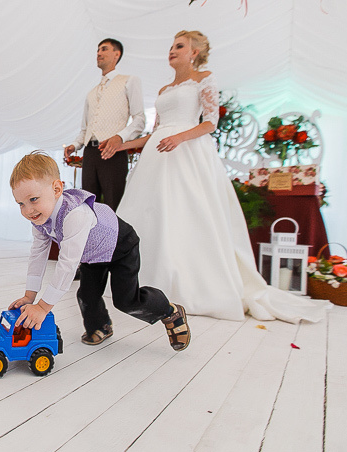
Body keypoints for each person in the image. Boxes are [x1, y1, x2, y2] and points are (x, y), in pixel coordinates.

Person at [114, 30, 329, 323]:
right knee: (152, 212)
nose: (172, 51)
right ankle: (138, 279)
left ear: (194, 53)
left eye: (179, 46)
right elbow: (154, 132)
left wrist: (180, 138)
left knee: (188, 213)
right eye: (171, 46)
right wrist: (122, 144)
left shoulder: (205, 79)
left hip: (187, 150)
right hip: (157, 154)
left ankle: (189, 284)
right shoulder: (164, 90)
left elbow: (210, 123)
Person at [8, 151, 190, 351]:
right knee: (86, 295)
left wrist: (43, 307)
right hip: (93, 255)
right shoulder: (40, 220)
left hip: (121, 246)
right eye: (21, 204)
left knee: (126, 301)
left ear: (57, 188)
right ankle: (101, 326)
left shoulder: (75, 214)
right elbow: (37, 254)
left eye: (33, 199)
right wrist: (29, 295)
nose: (28, 210)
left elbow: (67, 264)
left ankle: (170, 311)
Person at [63, 38, 145, 212]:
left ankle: (115, 240)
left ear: (117, 54)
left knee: (113, 205)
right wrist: (75, 145)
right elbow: (85, 129)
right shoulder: (91, 93)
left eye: (104, 49)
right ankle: (93, 240)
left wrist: (119, 138)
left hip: (113, 152)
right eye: (98, 50)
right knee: (88, 205)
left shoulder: (129, 81)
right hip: (90, 153)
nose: (99, 53)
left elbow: (139, 120)